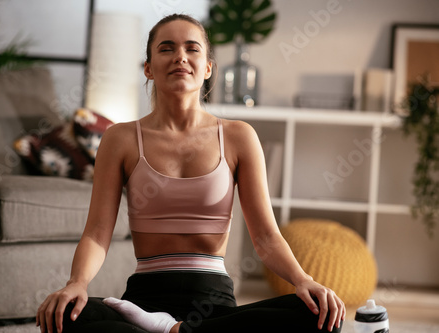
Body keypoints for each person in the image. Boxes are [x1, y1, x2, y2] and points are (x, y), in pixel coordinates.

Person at [36, 13, 345, 333]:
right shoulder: (121, 138)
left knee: (320, 314)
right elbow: (97, 233)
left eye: (192, 49)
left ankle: (170, 330)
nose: (180, 56)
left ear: (208, 67)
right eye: (167, 48)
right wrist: (76, 283)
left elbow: (266, 237)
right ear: (148, 67)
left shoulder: (238, 136)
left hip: (213, 303)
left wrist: (304, 280)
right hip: (143, 301)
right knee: (66, 313)